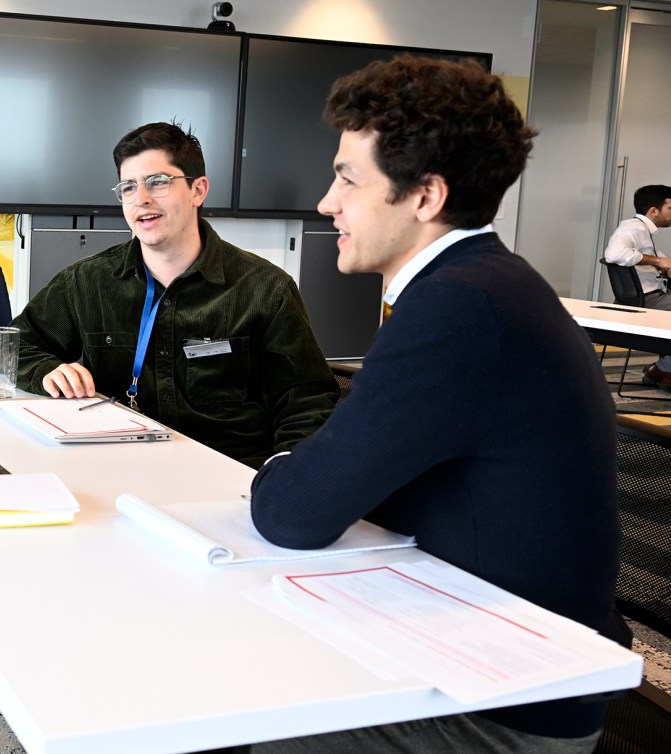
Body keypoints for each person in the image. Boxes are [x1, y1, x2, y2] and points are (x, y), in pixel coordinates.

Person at [249, 57, 628, 753]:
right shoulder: (483, 286)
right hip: (489, 647)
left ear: (424, 197)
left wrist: (278, 459)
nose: (326, 202)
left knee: (234, 710)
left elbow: (290, 513)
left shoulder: (459, 309)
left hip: (504, 707)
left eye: (345, 178)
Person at [11, 122, 337, 468]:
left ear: (198, 190)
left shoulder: (265, 289)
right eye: (128, 187)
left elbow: (306, 403)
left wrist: (285, 478)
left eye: (158, 182)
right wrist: (47, 369)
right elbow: (14, 345)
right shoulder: (87, 282)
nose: (142, 199)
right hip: (118, 470)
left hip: (226, 477)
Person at [602, 183, 671, 389]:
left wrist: (663, 263)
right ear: (653, 211)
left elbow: (653, 258)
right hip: (647, 300)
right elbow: (614, 254)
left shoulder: (642, 230)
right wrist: (658, 262)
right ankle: (661, 369)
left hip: (652, 295)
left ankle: (662, 369)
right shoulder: (633, 228)